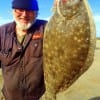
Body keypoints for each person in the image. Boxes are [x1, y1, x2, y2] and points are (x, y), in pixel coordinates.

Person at [0, 0, 47, 100]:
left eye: (30, 10)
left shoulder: (46, 29)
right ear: (13, 11)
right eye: (20, 10)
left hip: (39, 97)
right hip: (9, 97)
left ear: (36, 13)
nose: (24, 15)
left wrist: (61, 5)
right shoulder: (1, 33)